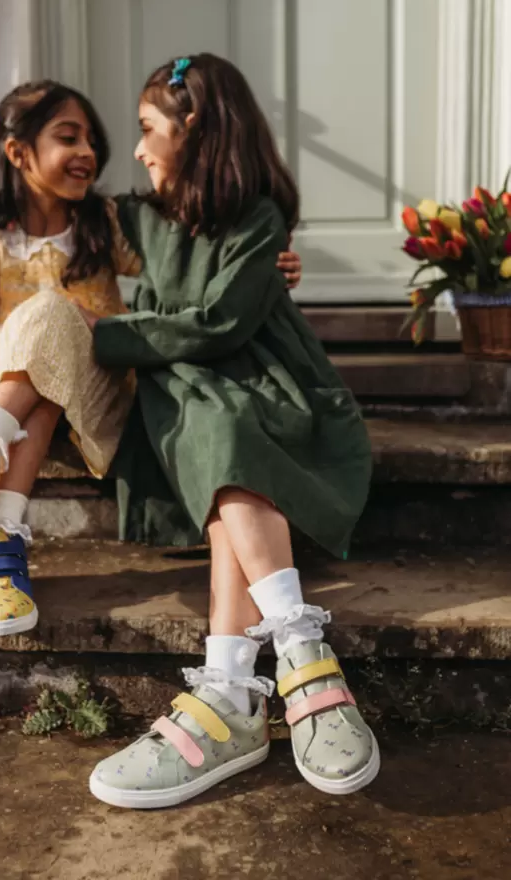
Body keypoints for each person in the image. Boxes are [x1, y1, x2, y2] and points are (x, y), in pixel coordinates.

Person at [0, 78, 301, 640]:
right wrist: (6, 349)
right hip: (13, 388)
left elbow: (187, 262)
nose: (88, 152)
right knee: (38, 372)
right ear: (19, 153)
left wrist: (261, 265)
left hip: (98, 389)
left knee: (49, 323)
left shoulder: (106, 226)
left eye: (92, 139)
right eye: (69, 137)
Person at [81, 54, 379, 808]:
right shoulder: (138, 217)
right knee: (212, 426)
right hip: (190, 381)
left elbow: (219, 323)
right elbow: (55, 220)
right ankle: (296, 657)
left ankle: (233, 693)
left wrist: (108, 333)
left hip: (269, 381)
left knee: (226, 430)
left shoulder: (257, 217)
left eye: (150, 130)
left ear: (199, 130)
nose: (139, 148)